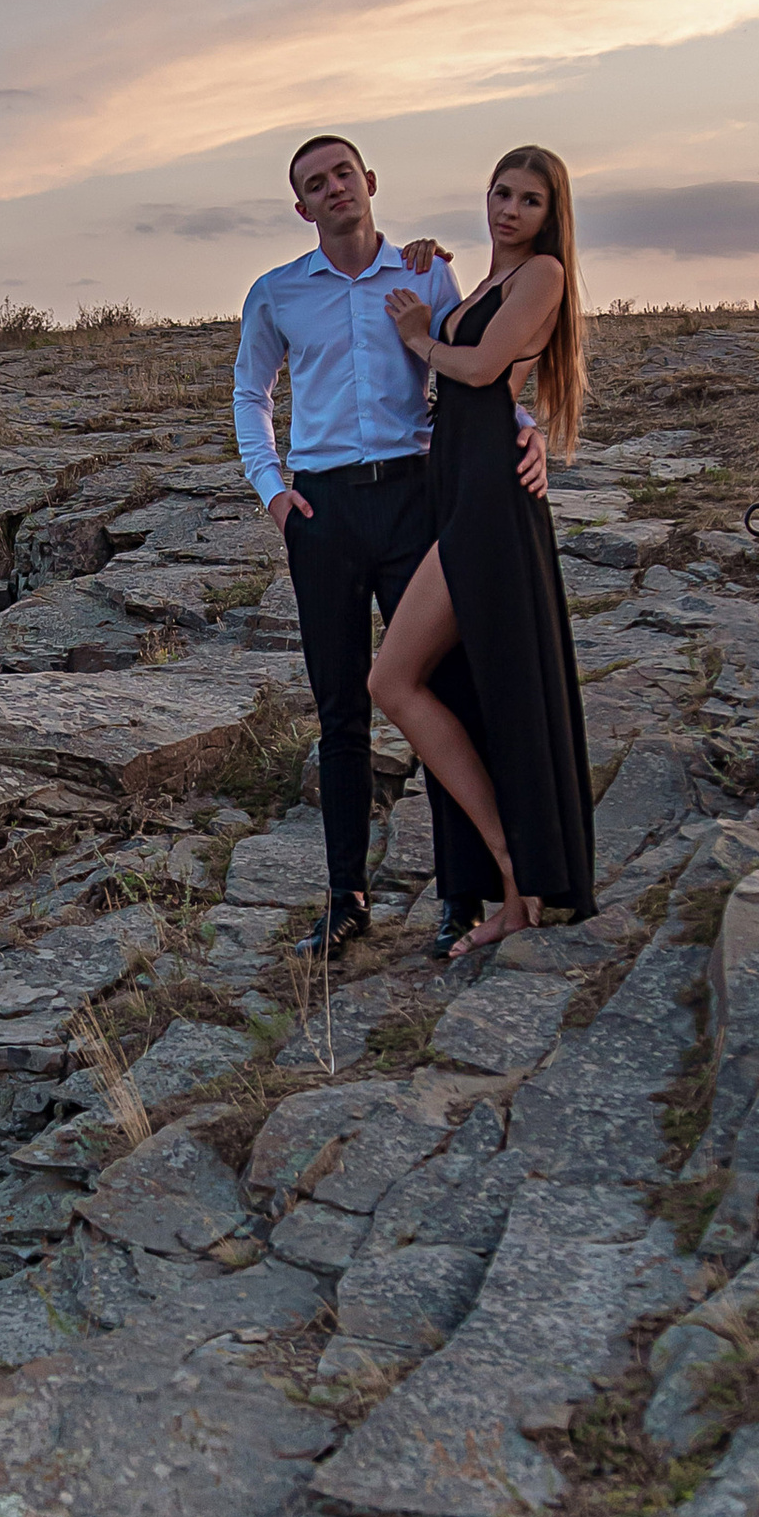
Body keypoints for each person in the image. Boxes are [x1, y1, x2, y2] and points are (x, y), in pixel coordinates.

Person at [233, 132, 549, 958]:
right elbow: (249, 393)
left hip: (416, 499)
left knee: (439, 691)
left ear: (369, 180)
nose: (334, 187)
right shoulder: (275, 292)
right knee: (340, 708)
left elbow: (477, 369)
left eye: (344, 172)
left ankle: (461, 895)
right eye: (316, 183)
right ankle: (346, 897)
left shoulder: (424, 272)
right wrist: (274, 493)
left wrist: (528, 430)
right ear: (301, 206)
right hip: (324, 511)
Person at [366, 143, 595, 949]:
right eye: (502, 193)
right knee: (468, 687)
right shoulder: (491, 281)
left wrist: (419, 336)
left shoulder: (544, 275)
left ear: (551, 214)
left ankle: (512, 868)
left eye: (530, 200)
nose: (510, 210)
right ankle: (512, 885)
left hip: (492, 500)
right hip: (460, 487)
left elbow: (484, 370)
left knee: (394, 679)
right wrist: (427, 268)